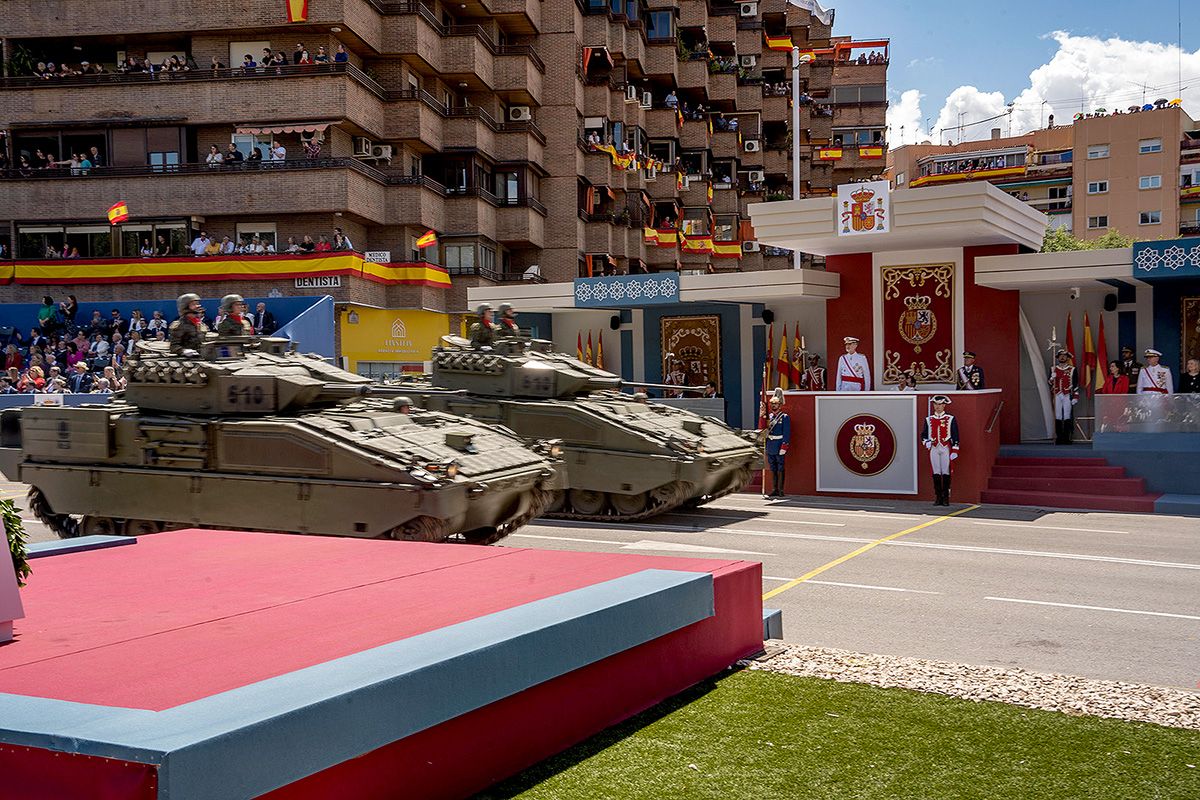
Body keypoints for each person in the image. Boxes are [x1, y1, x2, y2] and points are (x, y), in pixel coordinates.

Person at [921, 395, 960, 506]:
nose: (937, 407)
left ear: (944, 405)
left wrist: (955, 450)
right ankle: (938, 496)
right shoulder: (929, 420)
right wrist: (927, 442)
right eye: (935, 404)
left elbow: (955, 435)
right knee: (936, 472)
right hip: (934, 448)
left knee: (946, 472)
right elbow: (923, 435)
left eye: (940, 404)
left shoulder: (950, 418)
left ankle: (946, 497)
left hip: (945, 447)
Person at [763, 388, 790, 499]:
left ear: (780, 405)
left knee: (780, 467)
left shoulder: (784, 417)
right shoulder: (768, 417)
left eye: (776, 404)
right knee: (772, 468)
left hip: (779, 444)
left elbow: (786, 433)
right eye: (772, 404)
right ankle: (774, 489)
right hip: (770, 444)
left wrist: (784, 445)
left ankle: (781, 489)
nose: (773, 406)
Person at [1050, 350, 1078, 444]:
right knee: (1057, 415)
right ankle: (1059, 437)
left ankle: (1066, 437)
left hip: (1067, 394)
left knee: (1067, 415)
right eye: (1060, 356)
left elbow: (1075, 384)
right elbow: (1050, 383)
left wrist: (1075, 396)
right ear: (1058, 357)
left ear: (1067, 358)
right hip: (1057, 394)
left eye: (1064, 356)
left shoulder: (1072, 369)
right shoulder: (1053, 369)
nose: (1062, 357)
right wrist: (1051, 378)